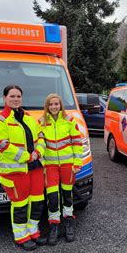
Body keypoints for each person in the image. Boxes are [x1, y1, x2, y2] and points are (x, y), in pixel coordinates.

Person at [0, 85, 47, 251]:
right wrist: (27, 156)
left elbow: (41, 136)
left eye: (18, 96)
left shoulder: (29, 118)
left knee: (37, 202)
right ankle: (21, 236)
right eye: (12, 96)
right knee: (20, 204)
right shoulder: (0, 120)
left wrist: (38, 152)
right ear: (5, 98)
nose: (15, 99)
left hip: (35, 168)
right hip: (16, 171)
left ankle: (33, 231)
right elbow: (3, 145)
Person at [39, 93, 83, 245]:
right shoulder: (41, 122)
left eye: (56, 104)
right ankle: (54, 226)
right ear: (47, 106)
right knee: (52, 198)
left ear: (60, 105)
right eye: (51, 104)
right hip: (50, 166)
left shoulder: (70, 121)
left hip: (67, 165)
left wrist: (77, 163)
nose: (54, 107)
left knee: (67, 196)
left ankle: (69, 223)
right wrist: (43, 164)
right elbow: (39, 145)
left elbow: (77, 143)